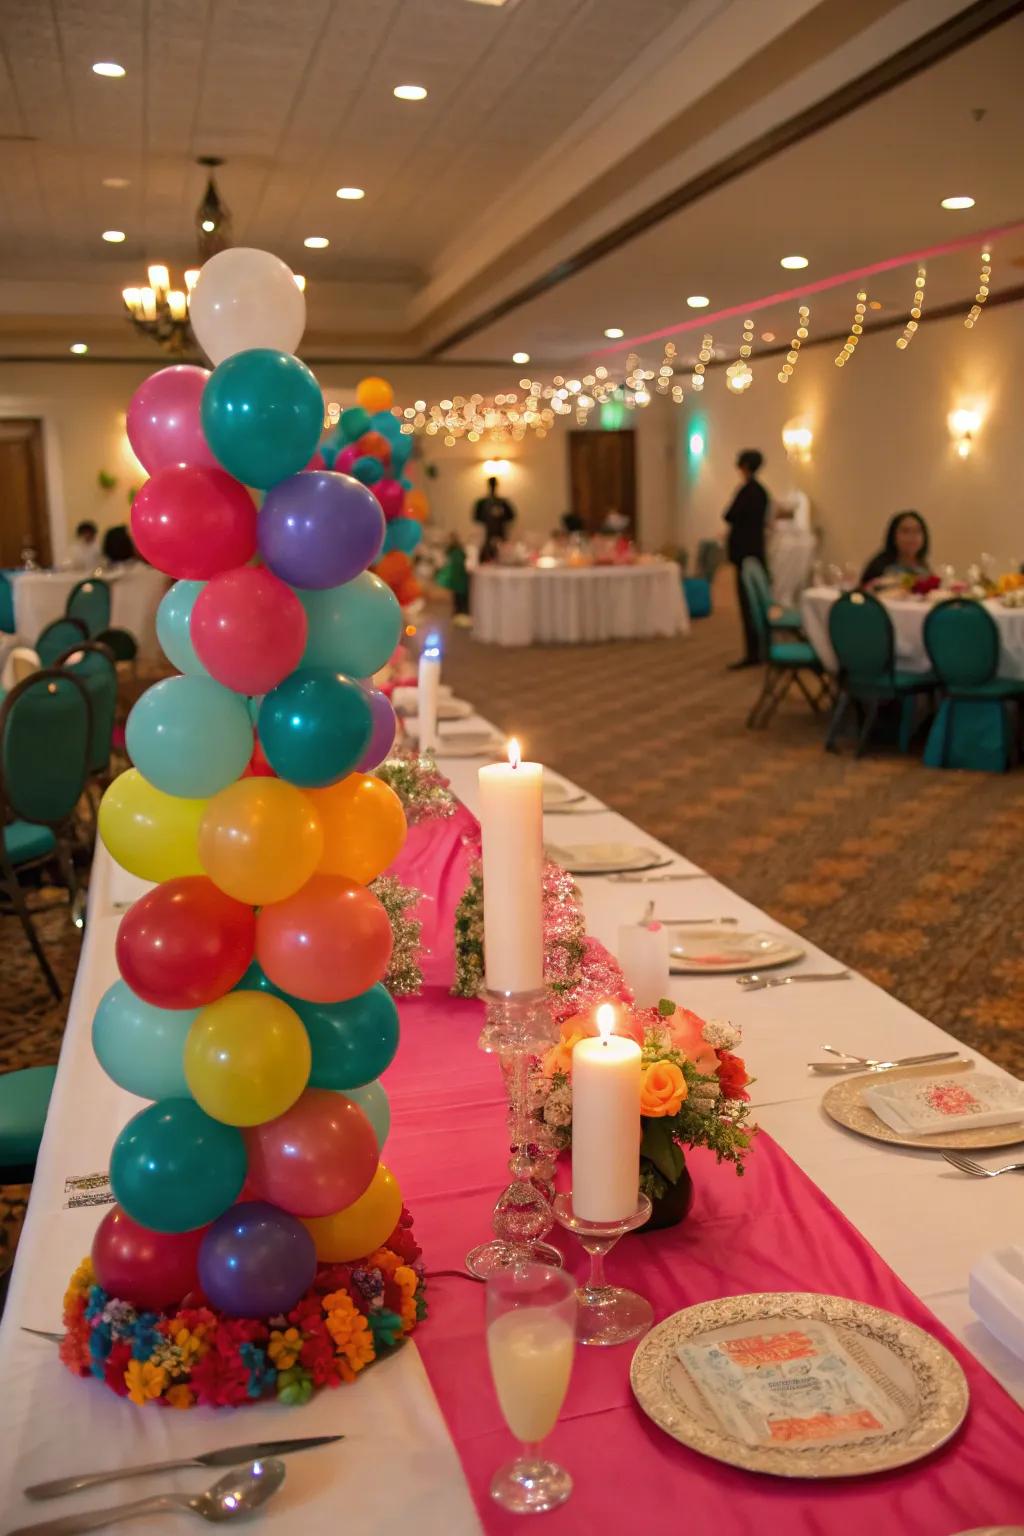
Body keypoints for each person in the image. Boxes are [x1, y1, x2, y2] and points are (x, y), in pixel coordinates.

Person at [723, 449, 769, 669]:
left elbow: (729, 515)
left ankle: (753, 651)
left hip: (745, 553)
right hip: (756, 551)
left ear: (745, 466)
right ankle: (762, 648)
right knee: (756, 603)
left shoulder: (747, 491)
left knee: (748, 604)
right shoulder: (761, 492)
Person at [860, 511, 931, 586]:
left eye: (917, 531)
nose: (912, 536)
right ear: (893, 536)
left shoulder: (924, 568)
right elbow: (862, 590)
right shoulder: (880, 567)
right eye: (905, 531)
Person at [473, 477, 515, 562]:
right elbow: (476, 518)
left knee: (502, 555)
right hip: (486, 535)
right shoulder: (482, 502)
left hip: (501, 534)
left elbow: (511, 516)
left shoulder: (503, 502)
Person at [435, 532, 471, 627]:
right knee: (461, 598)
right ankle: (461, 616)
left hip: (458, 578)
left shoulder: (452, 552)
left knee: (459, 598)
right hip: (460, 578)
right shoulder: (458, 551)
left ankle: (459, 616)